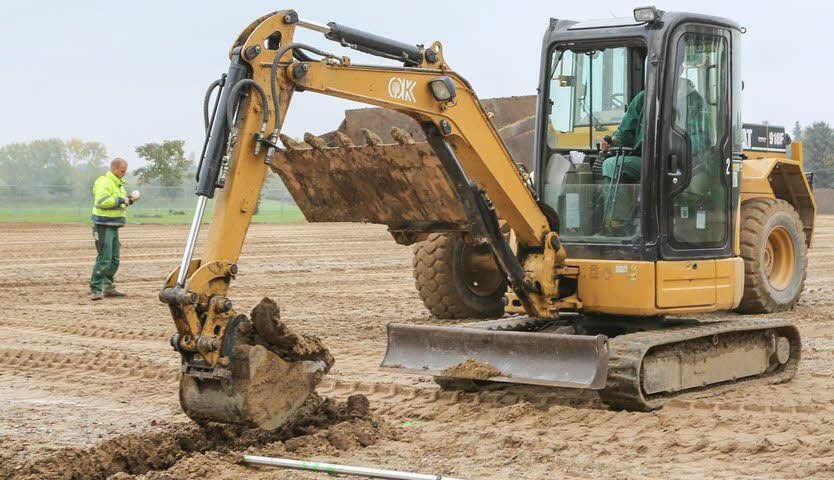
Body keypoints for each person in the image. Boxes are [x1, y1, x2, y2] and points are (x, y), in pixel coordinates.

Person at [89, 157, 139, 301]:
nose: (124, 173)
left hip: (113, 225)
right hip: (103, 226)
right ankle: (96, 289)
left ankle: (109, 288)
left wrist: (128, 200)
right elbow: (102, 201)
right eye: (123, 171)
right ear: (115, 169)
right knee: (104, 259)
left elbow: (120, 203)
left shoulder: (118, 185)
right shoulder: (104, 182)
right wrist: (121, 200)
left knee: (114, 260)